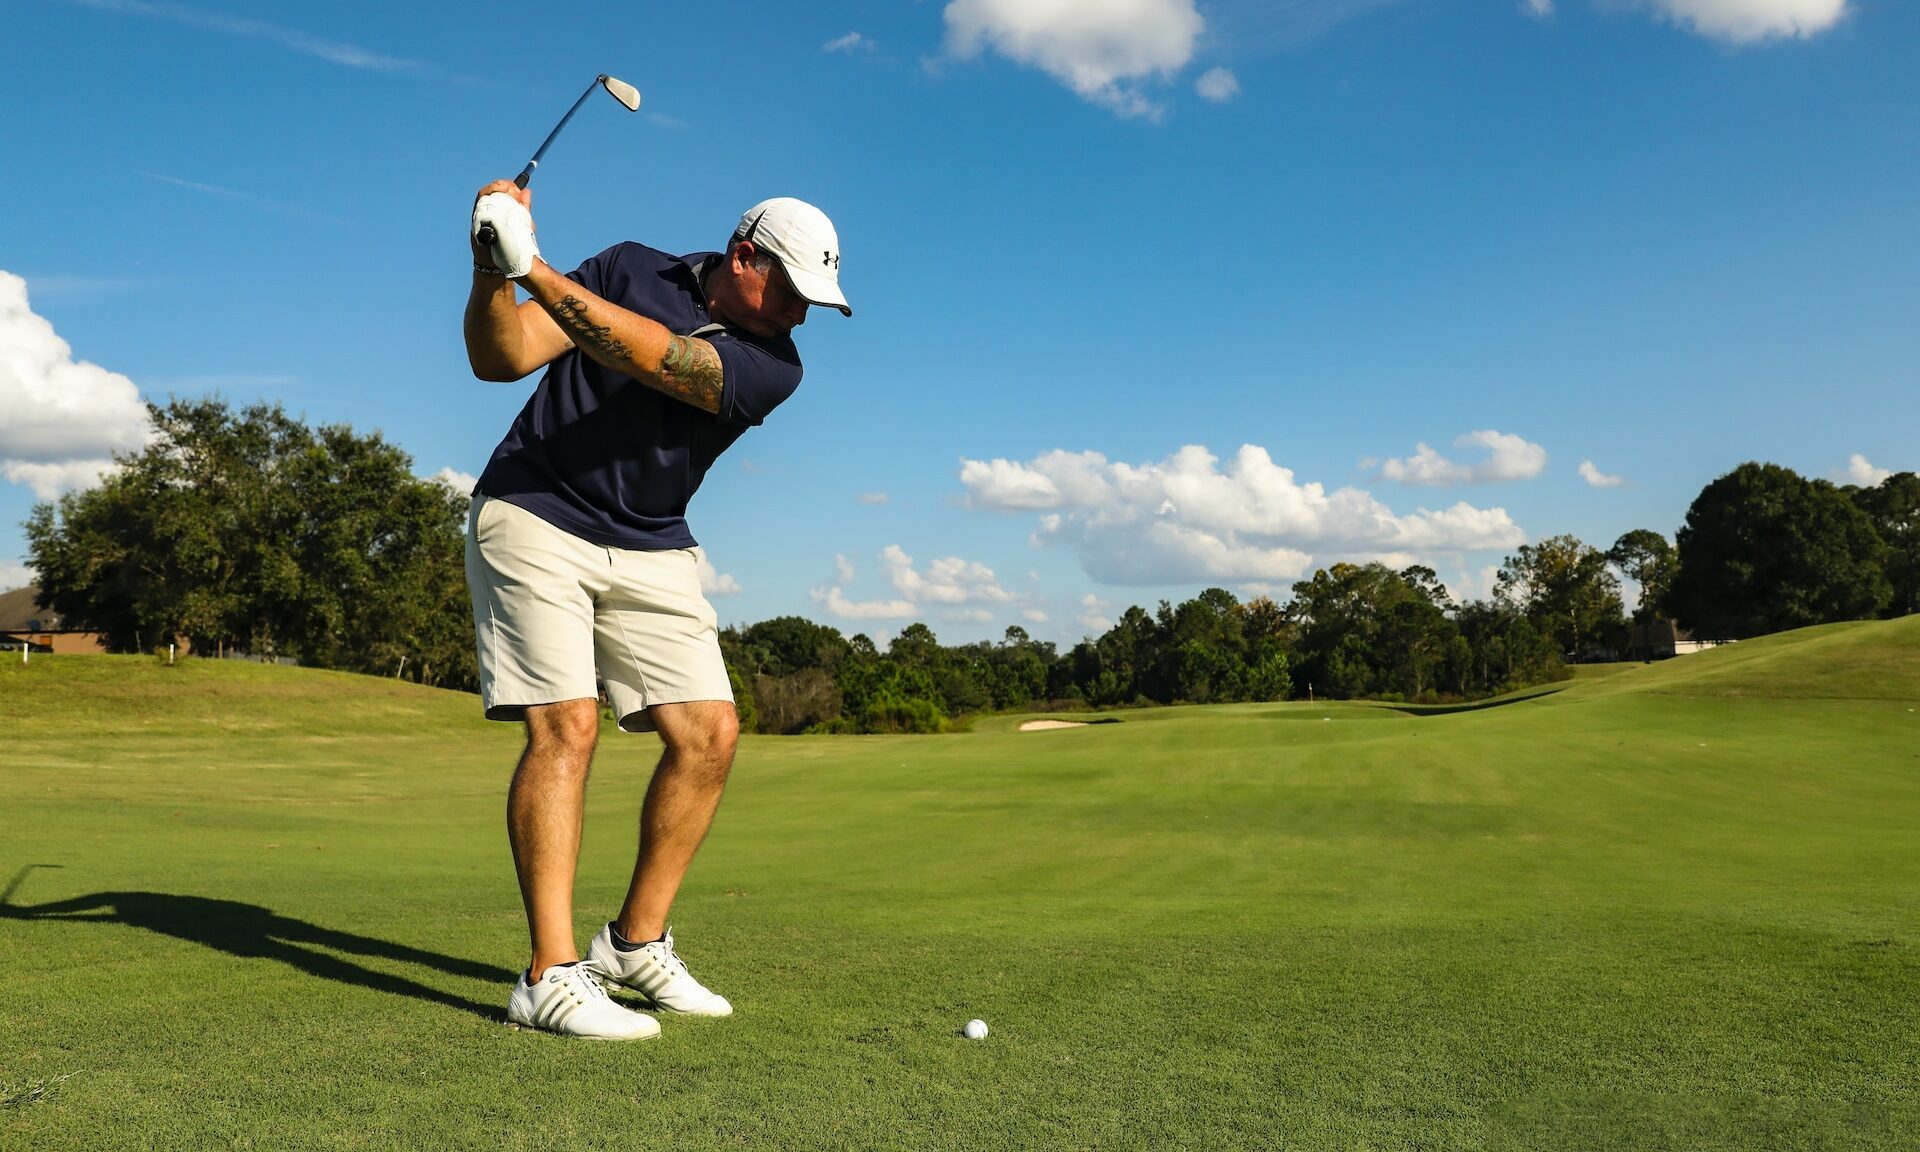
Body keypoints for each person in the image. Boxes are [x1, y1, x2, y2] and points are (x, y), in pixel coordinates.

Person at [461, 179, 851, 1039]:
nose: (800, 313)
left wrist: (535, 269)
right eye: (790, 290)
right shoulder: (630, 267)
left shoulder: (776, 366)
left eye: (813, 301)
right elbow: (504, 357)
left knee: (709, 733)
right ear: (743, 257)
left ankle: (634, 944)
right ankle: (549, 975)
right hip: (533, 509)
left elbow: (661, 361)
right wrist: (493, 269)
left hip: (650, 539)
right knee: (567, 726)